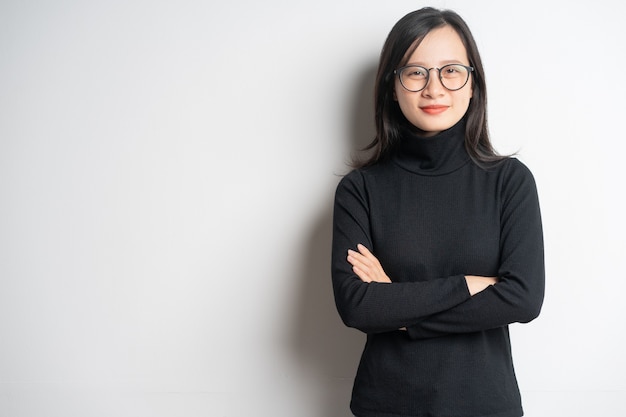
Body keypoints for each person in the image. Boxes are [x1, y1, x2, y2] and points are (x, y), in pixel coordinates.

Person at [331, 7, 544, 417]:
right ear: (392, 86)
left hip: (485, 404)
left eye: (451, 70)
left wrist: (403, 314)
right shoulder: (360, 190)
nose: (434, 89)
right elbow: (358, 305)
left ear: (472, 84)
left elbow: (522, 298)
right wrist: (470, 283)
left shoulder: (510, 182)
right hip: (386, 404)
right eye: (415, 72)